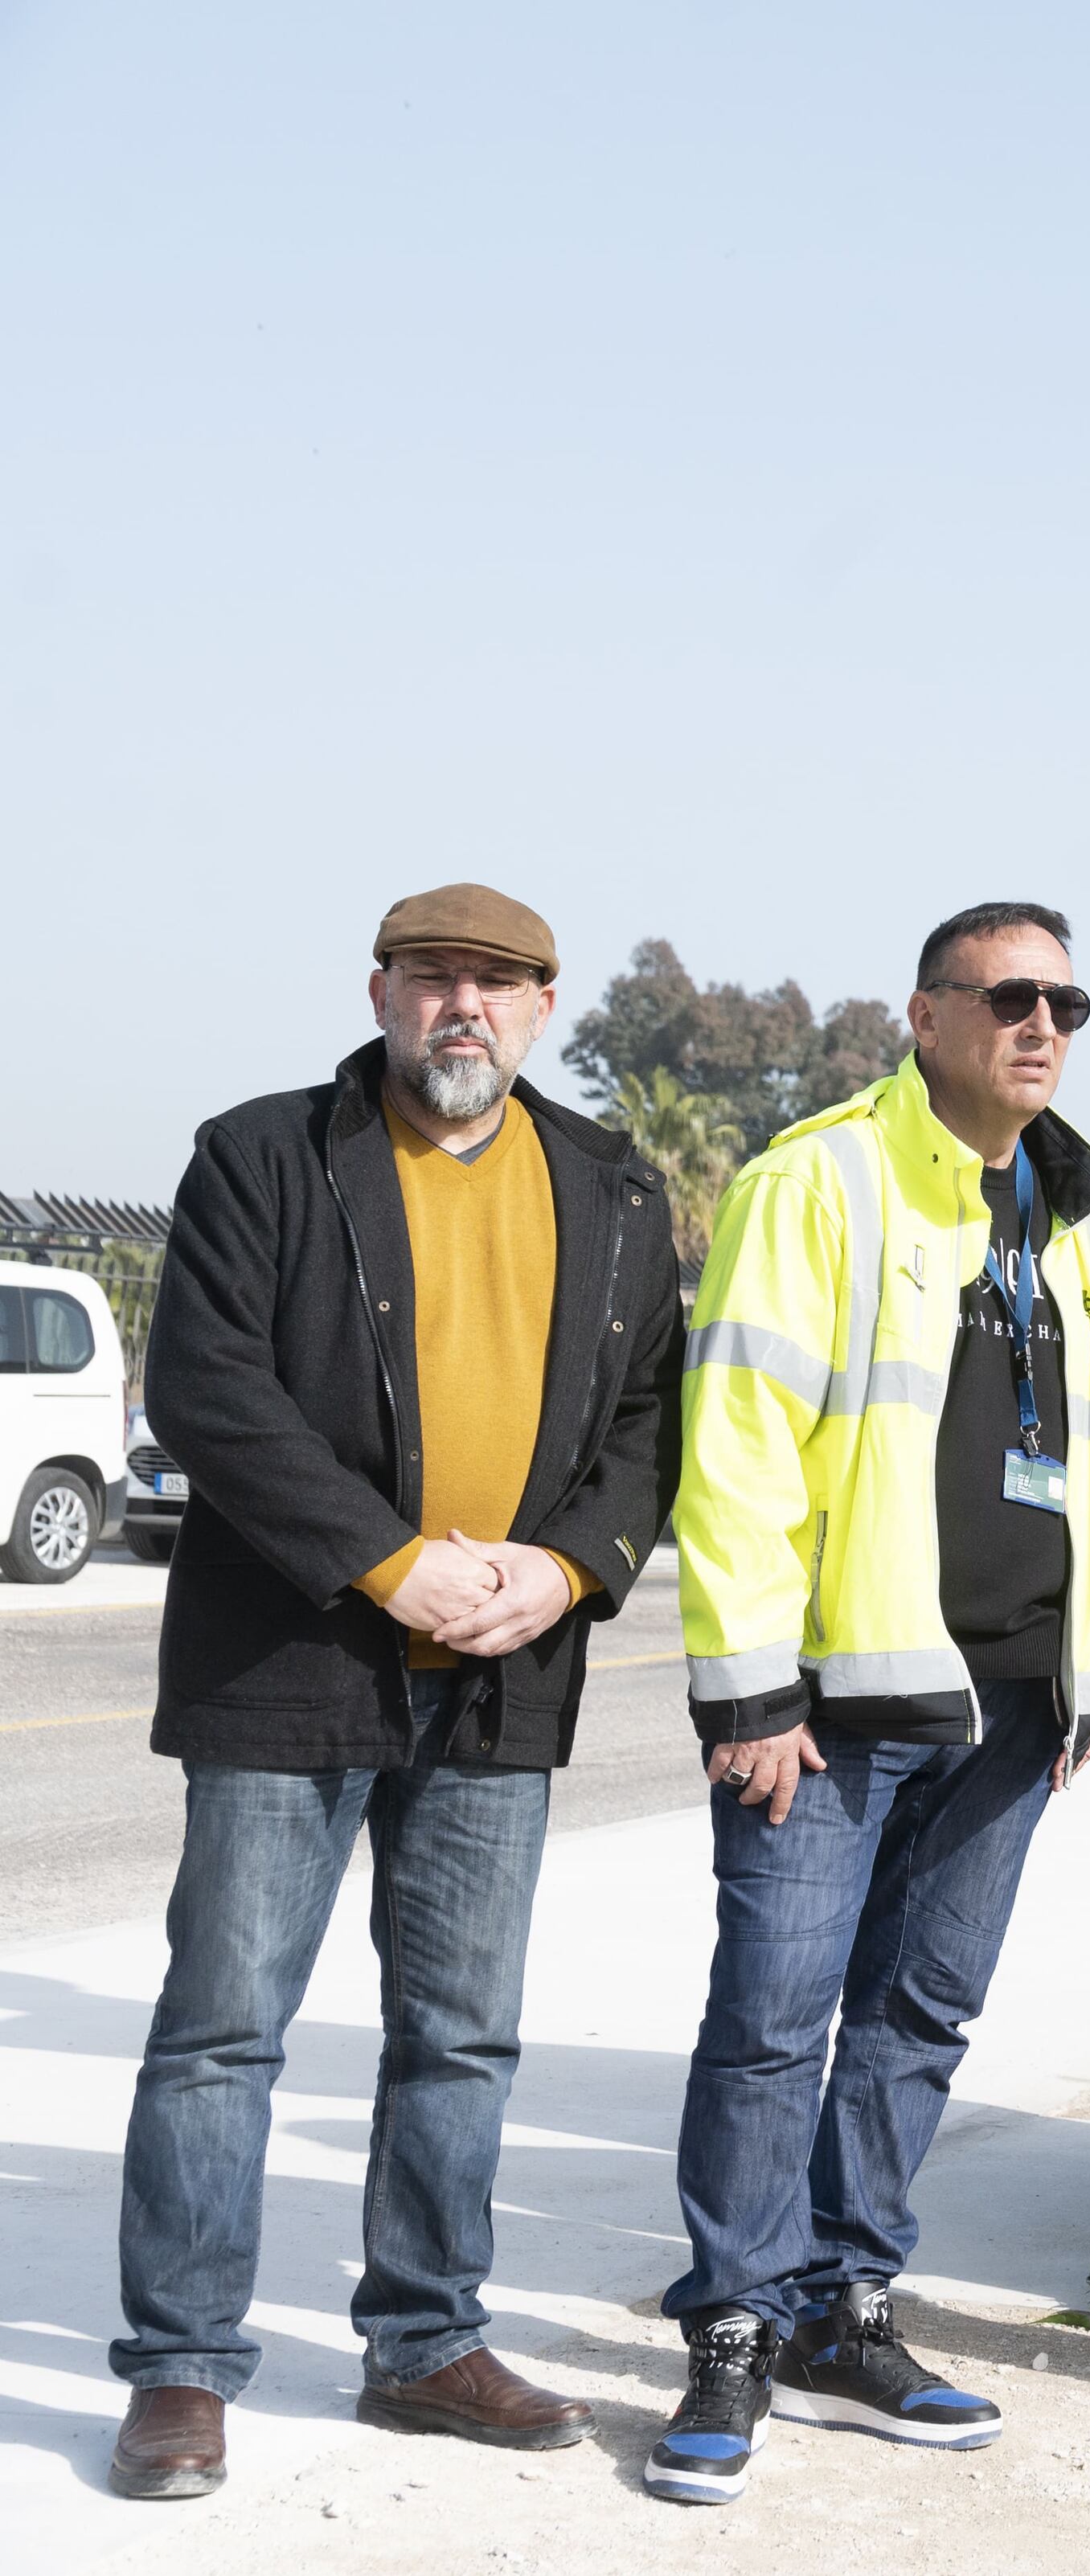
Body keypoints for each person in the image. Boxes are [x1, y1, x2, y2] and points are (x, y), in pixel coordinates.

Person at [104, 885, 682, 2504]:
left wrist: (563, 1572)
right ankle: (180, 2367)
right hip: (291, 1661)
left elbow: (647, 1420)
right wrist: (384, 1560)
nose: (463, 1007)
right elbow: (208, 1388)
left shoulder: (615, 1189)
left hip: (500, 1679)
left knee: (463, 2037)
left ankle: (426, 2340)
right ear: (379, 989)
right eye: (434, 975)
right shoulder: (262, 1154)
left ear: (545, 1009)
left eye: (498, 983)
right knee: (222, 2029)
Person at [651, 901, 1090, 2506]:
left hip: (1014, 1711)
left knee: (918, 2018)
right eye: (1009, 996)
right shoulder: (817, 1180)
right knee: (771, 2023)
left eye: (1066, 1003)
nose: (1042, 1026)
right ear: (927, 1016)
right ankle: (735, 2327)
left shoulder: (1078, 1221)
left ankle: (848, 2308)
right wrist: (745, 1689)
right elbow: (736, 1441)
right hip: (830, 1709)